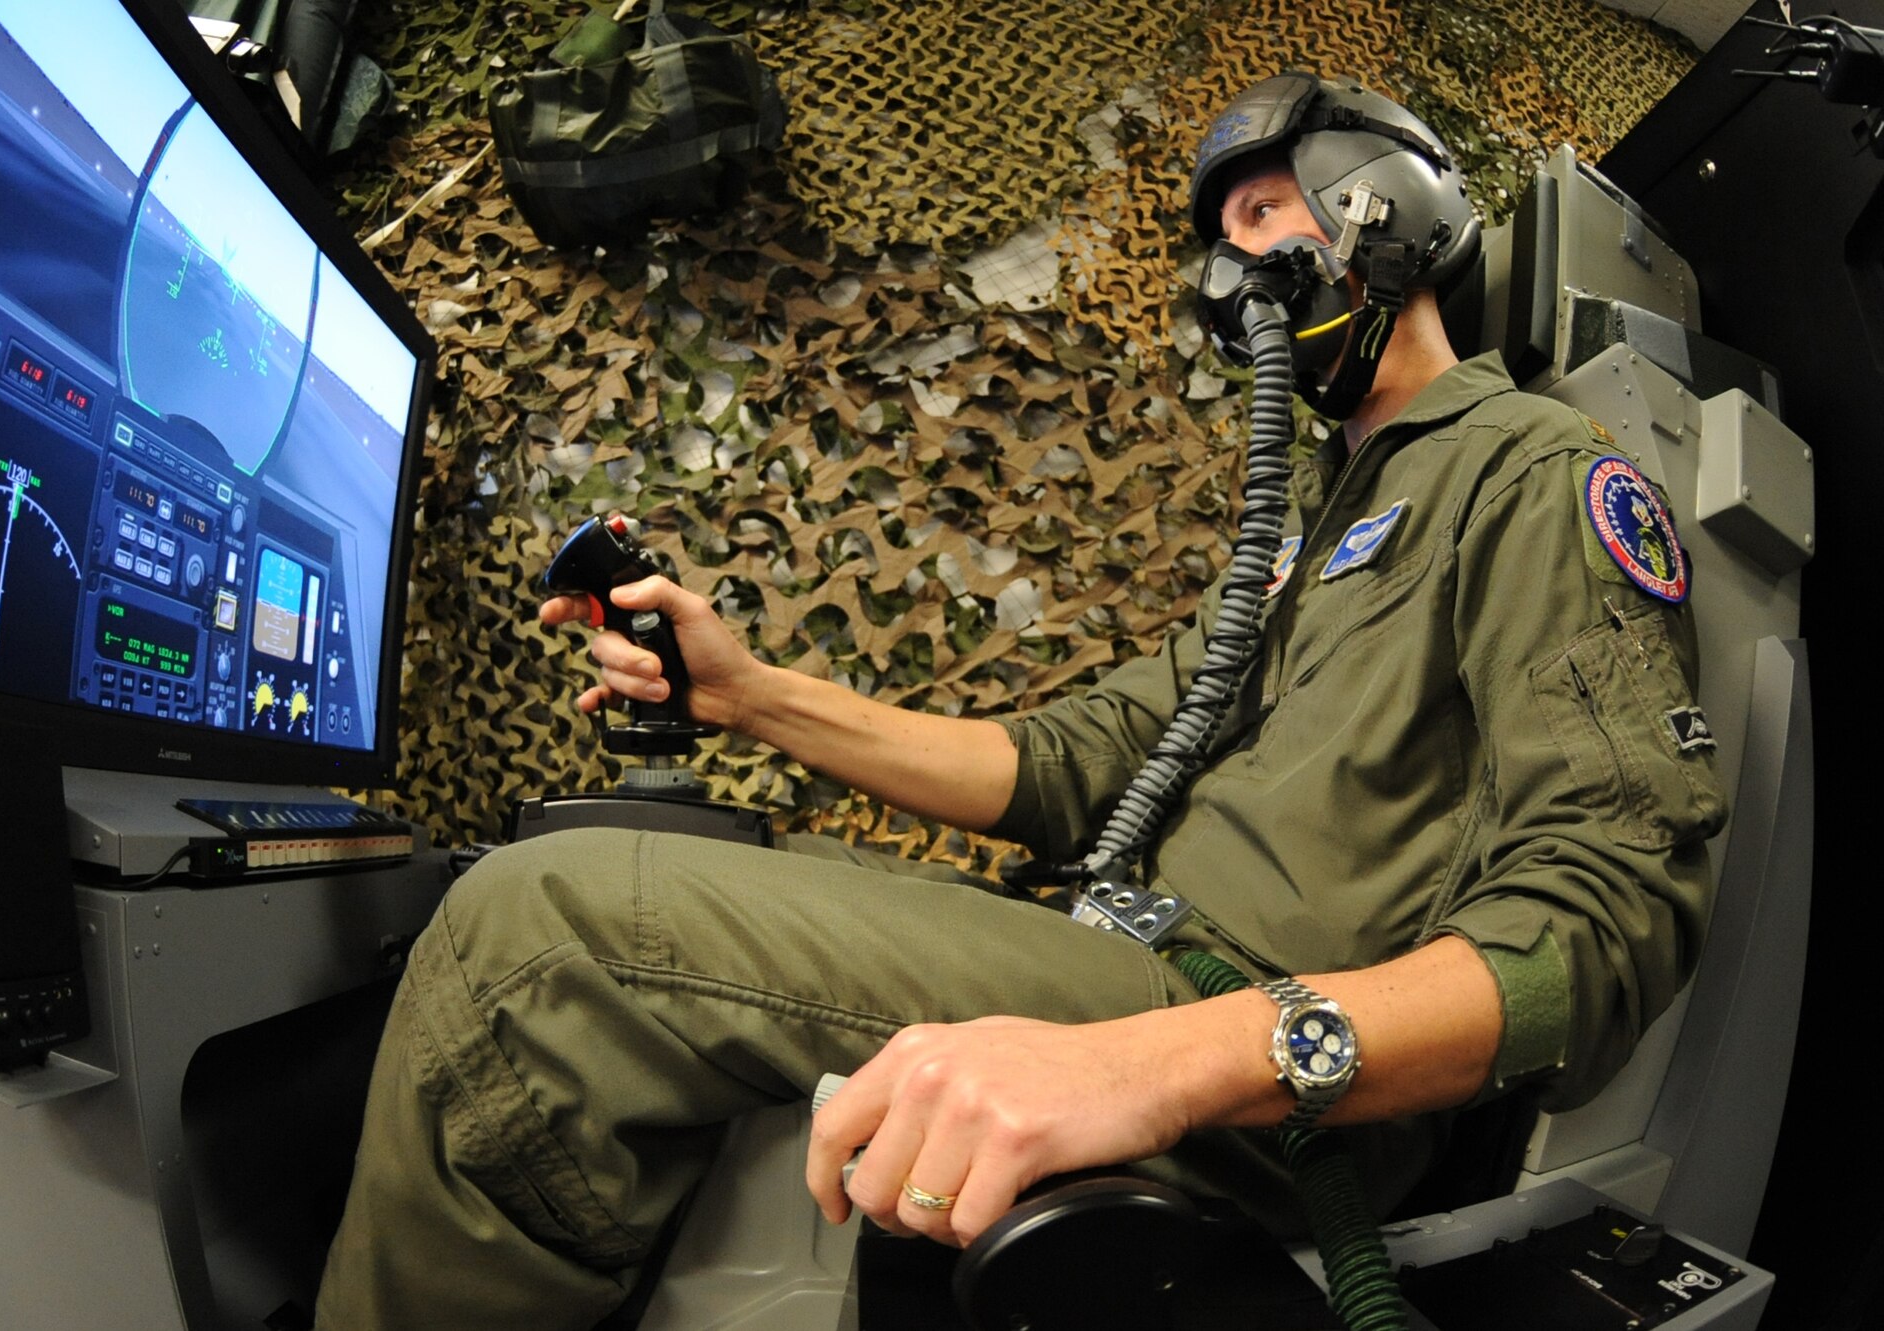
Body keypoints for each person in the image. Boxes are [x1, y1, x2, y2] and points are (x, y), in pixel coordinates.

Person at [314, 72, 1723, 1330]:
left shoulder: (1530, 468)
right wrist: (751, 695)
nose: (1233, 267)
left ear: (1387, 209)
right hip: (1133, 964)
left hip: (1253, 1055)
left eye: (1266, 213)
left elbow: (1607, 926)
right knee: (639, 864)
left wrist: (1176, 1061)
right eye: (1218, 240)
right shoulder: (1303, 541)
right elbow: (1060, 765)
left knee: (537, 942)